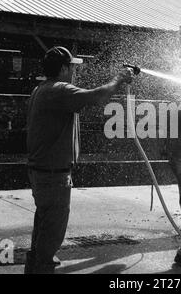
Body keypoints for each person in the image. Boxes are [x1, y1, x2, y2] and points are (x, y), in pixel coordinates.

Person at [25, 46, 133, 274]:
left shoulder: (42, 89)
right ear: (63, 68)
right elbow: (97, 97)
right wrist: (119, 79)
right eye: (72, 67)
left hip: (43, 173)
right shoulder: (59, 90)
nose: (75, 72)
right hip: (53, 175)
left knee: (43, 230)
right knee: (51, 235)